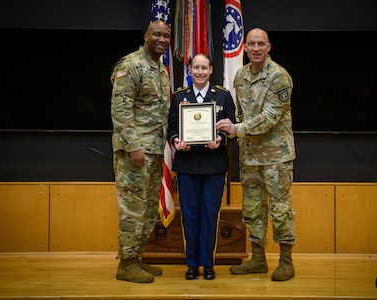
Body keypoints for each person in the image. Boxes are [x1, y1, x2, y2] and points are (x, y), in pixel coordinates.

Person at [216, 28, 296, 281]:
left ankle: (286, 261)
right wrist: (226, 131)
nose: (256, 48)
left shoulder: (279, 76)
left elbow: (271, 117)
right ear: (245, 47)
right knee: (252, 209)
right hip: (249, 156)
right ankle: (258, 259)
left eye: (261, 43)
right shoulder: (240, 75)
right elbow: (239, 113)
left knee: (280, 209)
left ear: (269, 47)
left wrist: (236, 129)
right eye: (252, 44)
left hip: (276, 157)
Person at [110, 20, 171, 283]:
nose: (162, 39)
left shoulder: (160, 69)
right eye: (157, 34)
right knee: (132, 208)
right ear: (146, 36)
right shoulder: (131, 65)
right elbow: (121, 110)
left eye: (166, 36)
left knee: (147, 209)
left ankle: (136, 258)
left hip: (154, 151)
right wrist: (134, 146)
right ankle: (126, 263)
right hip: (135, 152)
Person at [168, 53, 236, 280]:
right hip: (186, 166)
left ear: (211, 70)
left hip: (214, 166)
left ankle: (207, 264)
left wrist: (221, 140)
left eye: (203, 68)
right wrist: (177, 140)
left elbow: (232, 129)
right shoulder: (179, 97)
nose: (199, 72)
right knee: (189, 215)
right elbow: (170, 128)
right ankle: (191, 264)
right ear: (189, 70)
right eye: (195, 67)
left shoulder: (223, 96)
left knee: (209, 215)